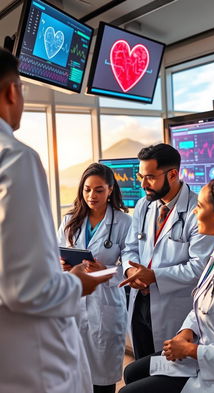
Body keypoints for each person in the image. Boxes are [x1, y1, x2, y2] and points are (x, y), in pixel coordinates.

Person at [0, 47, 112, 393]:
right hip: (31, 366)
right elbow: (26, 289)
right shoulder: (14, 159)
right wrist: (78, 282)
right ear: (11, 91)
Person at [119, 176, 214, 393]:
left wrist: (191, 350)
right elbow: (203, 303)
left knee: (129, 391)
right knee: (131, 372)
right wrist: (187, 330)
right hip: (205, 353)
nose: (193, 211)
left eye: (200, 206)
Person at [120, 143, 214, 359]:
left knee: (168, 373)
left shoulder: (197, 210)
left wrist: (154, 276)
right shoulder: (144, 206)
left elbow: (200, 266)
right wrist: (130, 271)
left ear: (172, 174)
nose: (144, 184)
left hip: (174, 308)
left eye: (151, 177)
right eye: (141, 176)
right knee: (142, 365)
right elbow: (130, 248)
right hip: (140, 302)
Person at [57, 162, 132, 393]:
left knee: (102, 380)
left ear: (110, 190)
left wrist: (104, 270)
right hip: (74, 303)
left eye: (99, 190)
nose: (92, 195)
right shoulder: (70, 220)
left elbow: (129, 266)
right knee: (74, 376)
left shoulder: (123, 222)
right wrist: (61, 265)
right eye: (87, 189)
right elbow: (53, 253)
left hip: (105, 306)